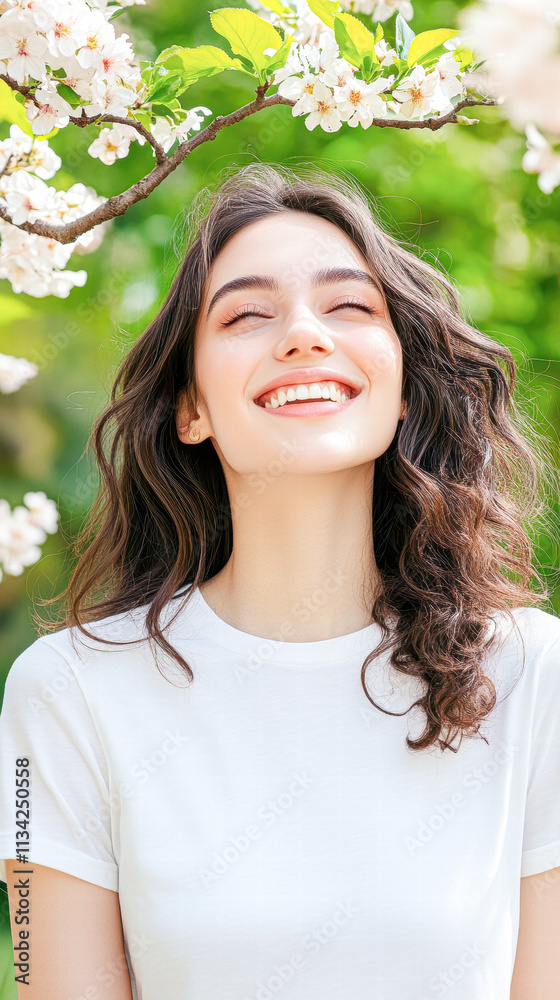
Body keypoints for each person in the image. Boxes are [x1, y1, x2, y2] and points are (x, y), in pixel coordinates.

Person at [0, 161, 559, 1000]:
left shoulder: (534, 675)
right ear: (190, 406)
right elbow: (41, 972)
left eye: (349, 307)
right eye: (248, 315)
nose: (304, 334)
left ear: (402, 384)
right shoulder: (69, 690)